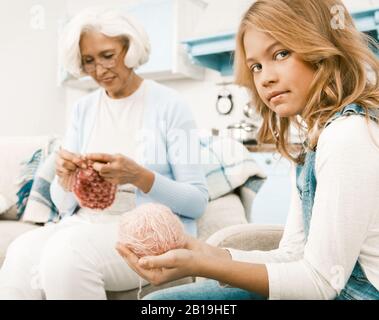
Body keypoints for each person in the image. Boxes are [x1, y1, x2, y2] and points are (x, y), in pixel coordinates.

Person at [118, 0, 379, 300]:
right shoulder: (317, 138)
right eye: (256, 66)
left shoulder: (348, 136)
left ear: (320, 49)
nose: (264, 78)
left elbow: (320, 284)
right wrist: (202, 253)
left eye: (281, 54)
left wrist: (204, 264)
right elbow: (293, 255)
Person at [0, 7, 208, 300]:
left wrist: (138, 176)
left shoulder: (171, 105)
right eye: (89, 61)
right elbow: (64, 206)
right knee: (21, 250)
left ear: (130, 48)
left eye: (108, 55)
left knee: (66, 253)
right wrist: (65, 178)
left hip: (143, 231)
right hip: (83, 223)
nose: (99, 70)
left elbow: (197, 202)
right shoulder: (83, 110)